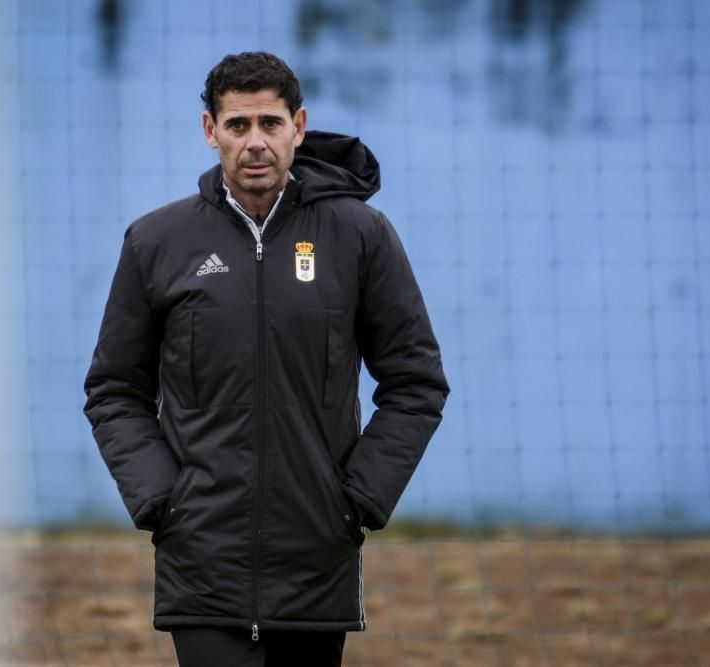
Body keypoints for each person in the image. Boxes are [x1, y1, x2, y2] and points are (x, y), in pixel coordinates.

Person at [83, 51, 449, 667]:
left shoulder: (361, 235)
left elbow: (416, 382)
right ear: (211, 131)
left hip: (317, 556)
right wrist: (162, 501)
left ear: (298, 127)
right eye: (237, 125)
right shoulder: (156, 242)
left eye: (270, 124)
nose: (256, 142)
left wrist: (354, 499)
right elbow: (115, 389)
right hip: (201, 560)